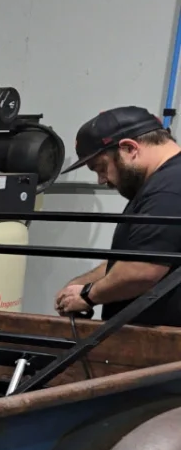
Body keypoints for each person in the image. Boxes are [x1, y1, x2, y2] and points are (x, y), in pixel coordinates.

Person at [53, 106, 181, 327]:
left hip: (165, 345)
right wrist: (83, 283)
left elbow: (141, 271)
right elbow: (133, 258)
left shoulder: (168, 189)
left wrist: (87, 295)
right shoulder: (162, 182)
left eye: (101, 168)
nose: (102, 180)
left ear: (130, 148)